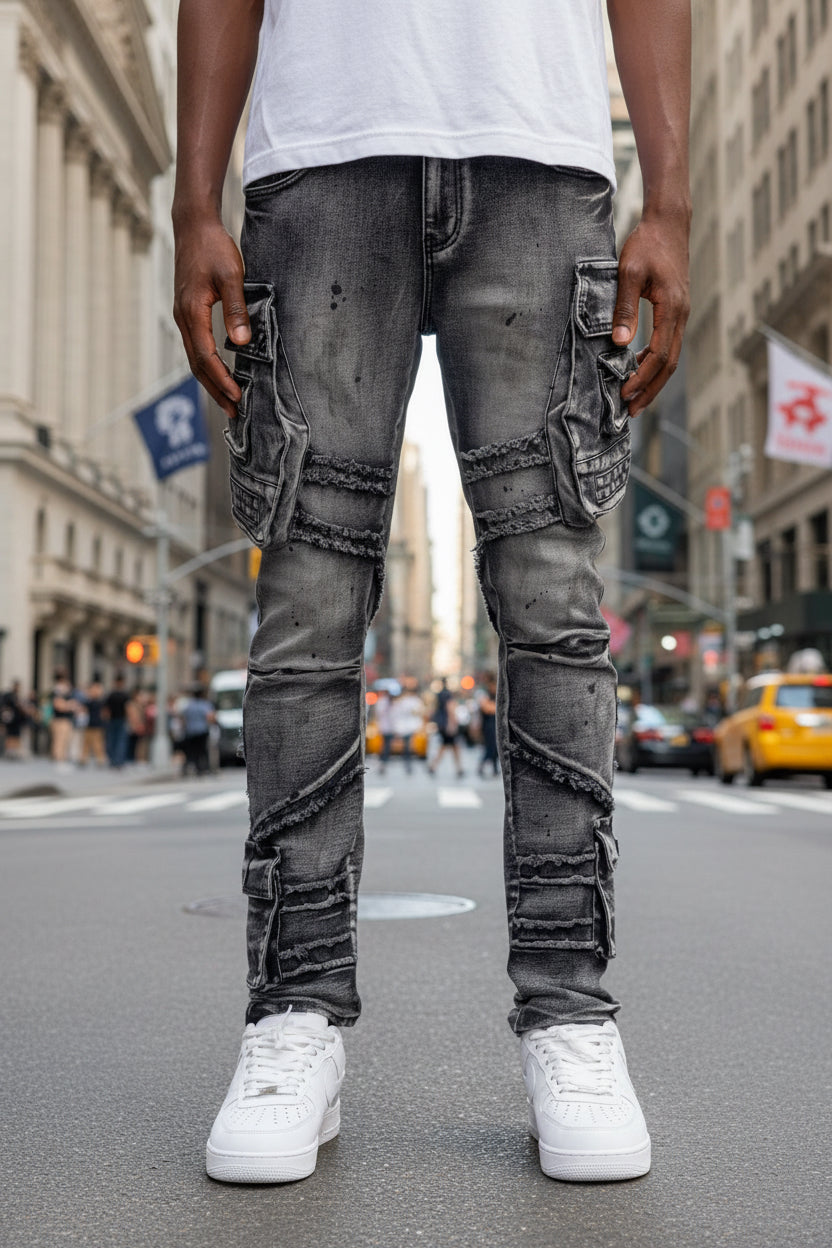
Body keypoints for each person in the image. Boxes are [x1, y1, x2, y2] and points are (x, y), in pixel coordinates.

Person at [174, 0, 690, 1185]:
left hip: (542, 158)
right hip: (316, 158)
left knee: (553, 609)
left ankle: (571, 1017)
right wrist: (193, 198)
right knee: (306, 607)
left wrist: (670, 196)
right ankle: (292, 1017)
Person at [428, 678, 464, 779]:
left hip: (441, 724)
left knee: (450, 746)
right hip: (447, 724)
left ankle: (435, 766)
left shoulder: (439, 694)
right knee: (449, 746)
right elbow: (450, 709)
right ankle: (458, 768)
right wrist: (452, 723)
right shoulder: (448, 694)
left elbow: (435, 709)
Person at [389, 680, 425, 774]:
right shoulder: (403, 701)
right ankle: (408, 763)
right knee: (407, 746)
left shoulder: (409, 700)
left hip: (409, 727)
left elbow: (418, 712)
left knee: (407, 746)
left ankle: (408, 763)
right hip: (406, 727)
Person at [180, 687, 216, 776]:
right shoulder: (205, 704)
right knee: (203, 750)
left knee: (192, 751)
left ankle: (193, 767)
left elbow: (183, 718)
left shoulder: (189, 705)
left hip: (191, 731)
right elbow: (210, 717)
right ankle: (203, 768)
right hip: (202, 731)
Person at [79, 677, 107, 767]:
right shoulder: (89, 701)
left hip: (97, 725)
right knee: (86, 743)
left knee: (98, 744)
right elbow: (83, 710)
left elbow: (104, 713)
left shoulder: (101, 701)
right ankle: (83, 759)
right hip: (88, 724)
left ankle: (100, 760)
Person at [104, 674, 130, 769]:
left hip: (112, 720)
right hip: (121, 720)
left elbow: (106, 710)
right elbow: (128, 709)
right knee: (120, 741)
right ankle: (119, 761)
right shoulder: (125, 695)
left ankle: (113, 761)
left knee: (112, 741)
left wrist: (106, 719)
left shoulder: (111, 695)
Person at [0, 681, 31, 760]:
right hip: (11, 721)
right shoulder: (9, 696)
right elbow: (5, 707)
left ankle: (15, 752)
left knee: (16, 736)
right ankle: (9, 752)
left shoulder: (18, 696)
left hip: (17, 721)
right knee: (10, 735)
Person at [477, 673, 499, 778]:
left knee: (495, 748)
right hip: (488, 725)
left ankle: (495, 769)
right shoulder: (484, 693)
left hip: (495, 724)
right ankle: (481, 766)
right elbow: (487, 708)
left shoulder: (496, 695)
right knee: (490, 747)